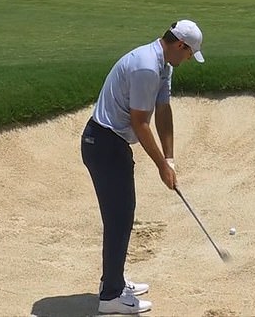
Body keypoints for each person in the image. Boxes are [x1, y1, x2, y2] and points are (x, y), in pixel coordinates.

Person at [80, 19, 205, 314]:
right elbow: (140, 123)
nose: (188, 59)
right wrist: (161, 166)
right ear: (180, 45)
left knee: (123, 215)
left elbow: (162, 110)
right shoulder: (147, 66)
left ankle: (114, 280)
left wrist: (170, 158)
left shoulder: (164, 66)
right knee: (119, 219)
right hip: (103, 144)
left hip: (112, 145)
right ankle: (110, 297)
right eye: (189, 54)